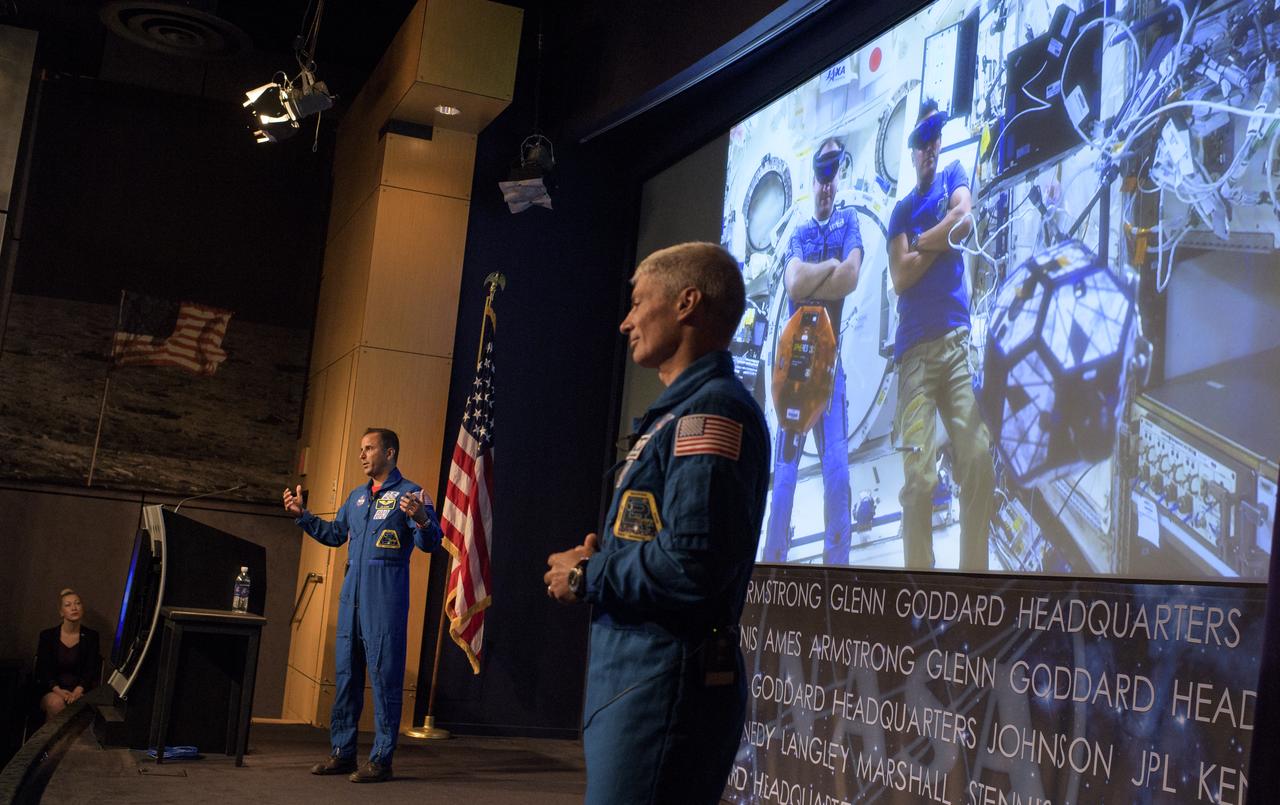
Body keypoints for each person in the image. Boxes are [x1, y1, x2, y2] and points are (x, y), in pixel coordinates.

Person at [544, 242, 769, 805]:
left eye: (639, 301)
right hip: (638, 681)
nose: (625, 321)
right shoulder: (677, 414)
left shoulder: (711, 413)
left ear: (687, 303)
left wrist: (587, 575)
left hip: (663, 684)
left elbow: (692, 567)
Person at [282, 427, 442, 784]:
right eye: (361, 449)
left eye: (369, 448)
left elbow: (431, 544)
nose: (362, 455)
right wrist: (303, 515)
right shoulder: (356, 497)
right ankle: (342, 752)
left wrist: (420, 518)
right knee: (346, 678)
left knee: (385, 680)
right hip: (351, 598)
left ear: (390, 453)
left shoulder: (411, 494)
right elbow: (335, 535)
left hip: (384, 600)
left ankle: (382, 759)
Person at [886, 99, 995, 570]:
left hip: (954, 346)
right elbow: (900, 276)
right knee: (919, 479)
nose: (928, 150)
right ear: (912, 153)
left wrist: (923, 241)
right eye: (920, 144)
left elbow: (964, 221)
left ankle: (973, 581)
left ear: (939, 145)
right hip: (913, 355)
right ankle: (919, 590)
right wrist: (943, 232)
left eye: (933, 141)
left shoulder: (954, 174)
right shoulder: (900, 210)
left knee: (977, 457)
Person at [761, 135, 863, 565]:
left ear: (837, 178)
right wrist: (828, 270)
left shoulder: (849, 221)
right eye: (820, 176)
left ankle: (834, 569)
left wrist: (815, 277)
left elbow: (851, 278)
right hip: (797, 369)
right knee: (783, 477)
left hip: (827, 364)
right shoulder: (800, 230)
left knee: (836, 469)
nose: (826, 186)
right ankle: (773, 562)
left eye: (831, 175)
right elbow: (795, 283)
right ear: (814, 179)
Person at [35, 588, 100, 719]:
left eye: (77, 603)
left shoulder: (91, 636)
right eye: (68, 605)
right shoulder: (47, 636)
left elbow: (91, 668)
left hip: (81, 690)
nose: (74, 608)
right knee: (56, 703)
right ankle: (55, 740)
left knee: (79, 705)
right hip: (52, 689)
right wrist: (58, 691)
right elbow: (43, 669)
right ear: (61, 612)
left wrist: (78, 691)